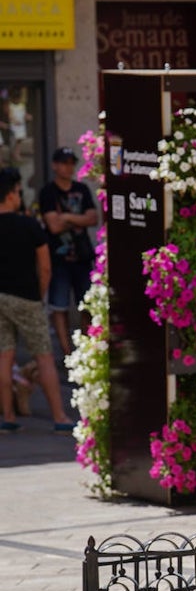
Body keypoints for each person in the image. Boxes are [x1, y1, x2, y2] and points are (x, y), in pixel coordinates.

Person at [0, 167, 74, 433]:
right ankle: (59, 417)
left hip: (1, 298)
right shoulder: (29, 225)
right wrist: (40, 294)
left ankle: (8, 416)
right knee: (44, 356)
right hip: (27, 297)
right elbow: (45, 267)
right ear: (10, 195)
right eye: (18, 192)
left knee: (4, 357)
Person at [38, 146, 98, 359]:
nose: (68, 167)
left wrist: (67, 218)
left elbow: (93, 218)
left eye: (72, 163)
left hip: (83, 257)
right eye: (64, 163)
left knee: (88, 306)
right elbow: (53, 226)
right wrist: (77, 218)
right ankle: (66, 353)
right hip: (59, 259)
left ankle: (87, 349)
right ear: (55, 165)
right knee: (59, 306)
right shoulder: (48, 192)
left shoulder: (82, 189)